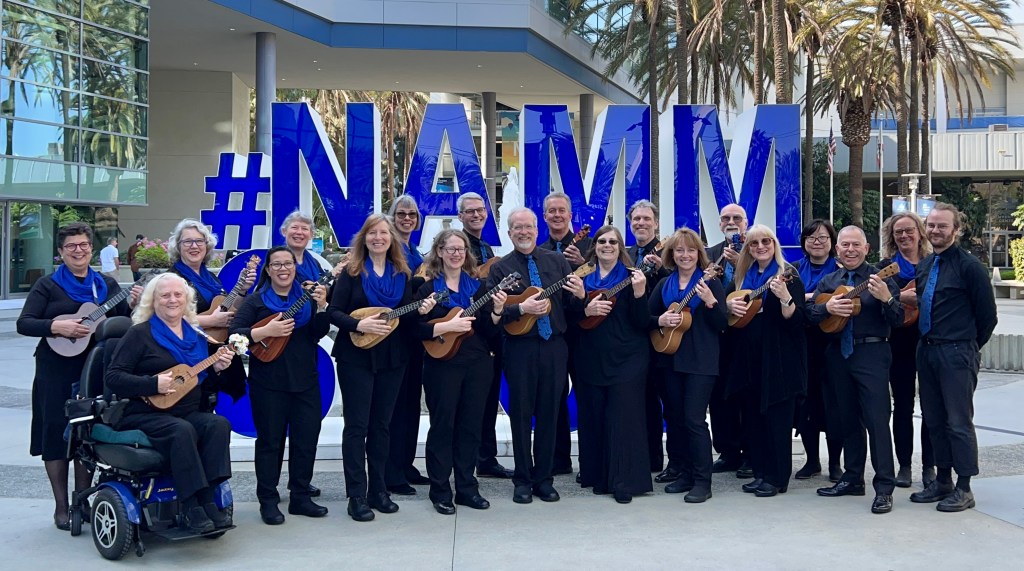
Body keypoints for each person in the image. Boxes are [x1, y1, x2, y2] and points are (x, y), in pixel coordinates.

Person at [17, 222, 139, 530]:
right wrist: (56, 327)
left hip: (93, 369)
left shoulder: (105, 285)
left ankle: (80, 500)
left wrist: (135, 303)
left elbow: (122, 319)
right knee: (56, 434)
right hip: (55, 371)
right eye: (71, 246)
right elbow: (25, 323)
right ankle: (61, 506)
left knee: (87, 434)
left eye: (83, 245)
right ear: (60, 253)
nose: (78, 250)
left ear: (91, 249)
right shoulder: (47, 285)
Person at [105, 273, 236, 534]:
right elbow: (113, 377)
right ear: (153, 301)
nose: (172, 300)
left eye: (178, 294)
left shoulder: (197, 335)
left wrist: (218, 368)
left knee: (217, 424)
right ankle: (190, 505)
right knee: (181, 430)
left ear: (187, 300)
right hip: (144, 411)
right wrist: (152, 385)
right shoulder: (139, 334)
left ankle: (208, 498)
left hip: (187, 410)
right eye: (165, 295)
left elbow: (195, 380)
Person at [329, 214, 437, 522]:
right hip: (357, 357)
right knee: (356, 426)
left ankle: (378, 489)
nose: (378, 238)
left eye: (383, 233)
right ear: (364, 238)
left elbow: (404, 319)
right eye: (372, 233)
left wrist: (422, 310)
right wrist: (357, 323)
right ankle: (356, 495)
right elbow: (333, 311)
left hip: (393, 356)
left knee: (381, 425)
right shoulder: (351, 273)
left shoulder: (401, 274)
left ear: (391, 239)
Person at [486, 207, 585, 504]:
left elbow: (572, 308)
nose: (523, 232)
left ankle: (544, 478)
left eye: (528, 227)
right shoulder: (500, 269)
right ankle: (522, 479)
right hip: (519, 349)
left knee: (549, 413)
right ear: (509, 233)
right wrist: (521, 309)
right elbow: (494, 313)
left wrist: (580, 295)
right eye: (517, 228)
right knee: (520, 413)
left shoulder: (557, 262)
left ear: (536, 229)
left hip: (554, 346)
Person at [230, 246, 331, 525]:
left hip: (306, 381)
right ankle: (268, 499)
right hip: (268, 384)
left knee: (305, 440)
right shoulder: (256, 302)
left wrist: (322, 308)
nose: (283, 269)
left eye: (288, 263)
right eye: (277, 264)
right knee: (270, 443)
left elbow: (316, 335)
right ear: (269, 270)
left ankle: (300, 496)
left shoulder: (306, 299)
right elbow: (234, 336)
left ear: (295, 268)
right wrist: (264, 331)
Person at [910, 203, 997, 512]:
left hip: (956, 352)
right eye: (931, 225)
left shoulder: (970, 267)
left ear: (956, 230)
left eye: (942, 226)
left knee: (958, 421)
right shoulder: (925, 265)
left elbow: (987, 317)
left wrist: (966, 347)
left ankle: (964, 487)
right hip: (928, 350)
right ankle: (942, 480)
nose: (935, 231)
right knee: (934, 420)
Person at [808, 226, 902, 515]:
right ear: (837, 250)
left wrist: (887, 297)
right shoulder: (830, 280)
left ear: (866, 249)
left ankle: (884, 487)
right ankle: (852, 478)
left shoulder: (880, 278)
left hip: (871, 352)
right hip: (838, 354)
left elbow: (898, 319)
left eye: (855, 245)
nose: (850, 250)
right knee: (846, 418)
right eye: (844, 245)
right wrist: (827, 309)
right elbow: (810, 314)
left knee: (876, 421)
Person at [416, 229, 505, 514]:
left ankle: (467, 487)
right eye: (450, 249)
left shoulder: (478, 289)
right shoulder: (428, 290)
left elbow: (491, 332)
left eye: (461, 249)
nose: (456, 254)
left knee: (470, 426)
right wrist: (445, 327)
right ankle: (440, 489)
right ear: (439, 252)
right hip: (442, 366)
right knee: (443, 426)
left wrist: (498, 311)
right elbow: (415, 330)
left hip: (477, 365)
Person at [572, 225, 652, 504]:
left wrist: (641, 293)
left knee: (623, 419)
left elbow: (644, 322)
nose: (607, 245)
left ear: (620, 247)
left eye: (613, 242)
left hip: (628, 359)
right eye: (602, 241)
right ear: (594, 246)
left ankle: (624, 481)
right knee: (594, 417)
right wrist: (584, 307)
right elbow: (570, 319)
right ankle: (598, 476)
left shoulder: (634, 278)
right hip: (591, 358)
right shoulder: (582, 279)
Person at [725, 224, 806, 498]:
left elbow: (797, 322)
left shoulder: (788, 276)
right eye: (754, 243)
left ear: (774, 245)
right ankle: (761, 473)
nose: (760, 247)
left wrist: (784, 299)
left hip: (778, 359)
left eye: (766, 242)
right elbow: (730, 313)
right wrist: (729, 306)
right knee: (753, 419)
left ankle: (777, 477)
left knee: (777, 420)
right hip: (749, 358)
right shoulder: (742, 277)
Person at [649, 228, 727, 503]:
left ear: (699, 254)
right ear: (672, 254)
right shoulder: (665, 284)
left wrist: (710, 302)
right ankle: (683, 472)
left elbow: (723, 323)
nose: (685, 255)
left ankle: (702, 481)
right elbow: (647, 316)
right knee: (676, 419)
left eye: (690, 250)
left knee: (694, 420)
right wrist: (661, 321)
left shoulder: (709, 282)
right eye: (679, 250)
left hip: (700, 362)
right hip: (669, 360)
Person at [457, 192, 515, 479]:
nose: (477, 215)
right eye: (470, 211)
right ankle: (473, 458)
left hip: (489, 332)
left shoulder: (488, 249)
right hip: (467, 335)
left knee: (489, 398)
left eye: (481, 210)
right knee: (473, 401)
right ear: (460, 217)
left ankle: (486, 457)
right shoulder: (459, 246)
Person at [168, 219, 253, 406]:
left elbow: (227, 308)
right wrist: (210, 320)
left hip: (216, 352)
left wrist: (242, 289)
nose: (194, 246)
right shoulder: (172, 278)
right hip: (188, 353)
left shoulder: (210, 278)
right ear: (178, 247)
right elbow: (166, 318)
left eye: (199, 241)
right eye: (187, 242)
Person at [880, 212, 936, 488]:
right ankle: (904, 466)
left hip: (928, 341)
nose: (904, 236)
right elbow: (878, 298)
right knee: (901, 406)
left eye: (908, 230)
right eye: (898, 232)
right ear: (892, 237)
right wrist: (900, 296)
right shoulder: (885, 266)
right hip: (898, 343)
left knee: (931, 407)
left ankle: (929, 467)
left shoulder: (933, 264)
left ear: (919, 233)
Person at [538, 191, 592, 476]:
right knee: (554, 396)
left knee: (585, 396)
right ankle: (558, 459)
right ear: (544, 216)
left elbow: (602, 281)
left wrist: (579, 261)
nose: (557, 215)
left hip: (583, 332)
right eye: (551, 211)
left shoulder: (591, 246)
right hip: (553, 334)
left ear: (571, 215)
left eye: (562, 210)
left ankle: (589, 461)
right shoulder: (538, 250)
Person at [626, 200, 677, 483]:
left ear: (656, 223)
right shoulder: (627, 253)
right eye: (636, 219)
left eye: (646, 219)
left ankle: (666, 460)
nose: (641, 224)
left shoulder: (669, 252)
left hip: (663, 334)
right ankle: (646, 456)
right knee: (642, 400)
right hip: (633, 338)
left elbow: (681, 286)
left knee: (667, 401)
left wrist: (660, 270)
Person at [384, 196, 431, 494]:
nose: (407, 218)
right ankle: (391, 471)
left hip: (415, 337)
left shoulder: (415, 251)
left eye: (412, 214)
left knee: (411, 405)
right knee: (394, 406)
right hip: (394, 337)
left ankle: (406, 463)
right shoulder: (390, 250)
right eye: (401, 214)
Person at [794, 219, 844, 483]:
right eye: (812, 238)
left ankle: (835, 463)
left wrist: (807, 299)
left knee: (832, 403)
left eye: (823, 238)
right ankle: (811, 460)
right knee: (805, 405)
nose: (817, 242)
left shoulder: (840, 271)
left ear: (832, 243)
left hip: (831, 343)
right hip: (801, 345)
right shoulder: (793, 270)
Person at [706, 203, 750, 478]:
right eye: (726, 218)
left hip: (747, 334)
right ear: (720, 224)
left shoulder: (757, 249)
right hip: (718, 336)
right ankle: (728, 451)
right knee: (719, 396)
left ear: (745, 223)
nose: (731, 222)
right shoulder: (710, 254)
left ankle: (750, 451)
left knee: (746, 395)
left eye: (737, 218)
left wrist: (739, 263)